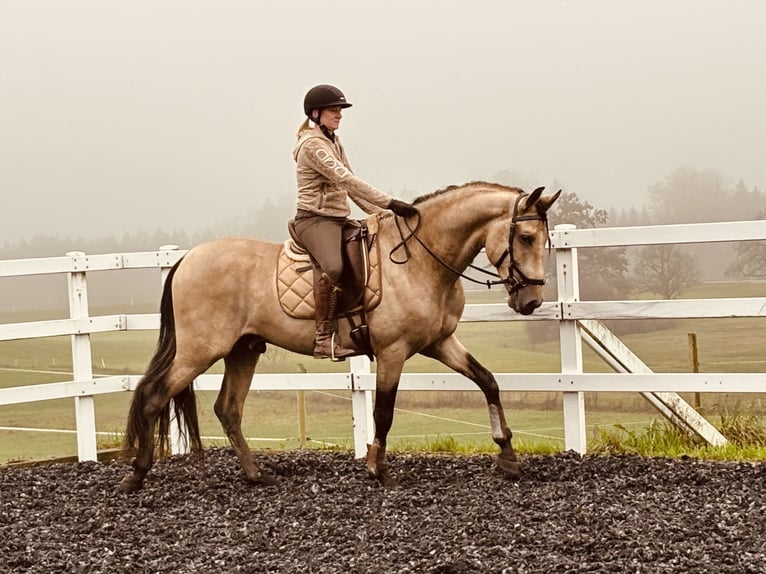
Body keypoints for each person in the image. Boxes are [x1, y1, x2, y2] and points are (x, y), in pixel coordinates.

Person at [292, 84, 418, 361]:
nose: (339, 115)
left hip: (338, 219)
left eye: (340, 110)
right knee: (334, 267)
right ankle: (323, 339)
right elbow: (346, 179)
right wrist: (389, 202)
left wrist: (382, 214)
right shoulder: (312, 145)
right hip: (315, 220)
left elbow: (350, 186)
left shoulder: (333, 140)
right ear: (316, 113)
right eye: (333, 110)